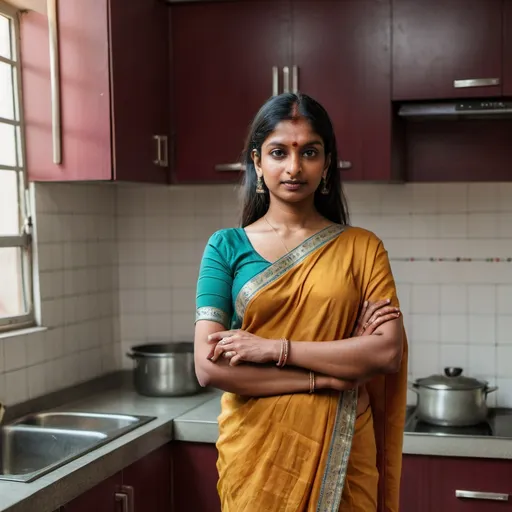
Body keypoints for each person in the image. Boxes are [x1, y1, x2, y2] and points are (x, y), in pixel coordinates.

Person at [194, 92, 408, 512]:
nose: (294, 167)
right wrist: (327, 378)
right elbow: (208, 366)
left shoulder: (362, 248)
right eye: (278, 152)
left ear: (326, 163)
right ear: (257, 162)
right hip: (256, 457)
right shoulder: (225, 247)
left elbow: (386, 351)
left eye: (309, 152)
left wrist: (272, 349)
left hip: (343, 451)